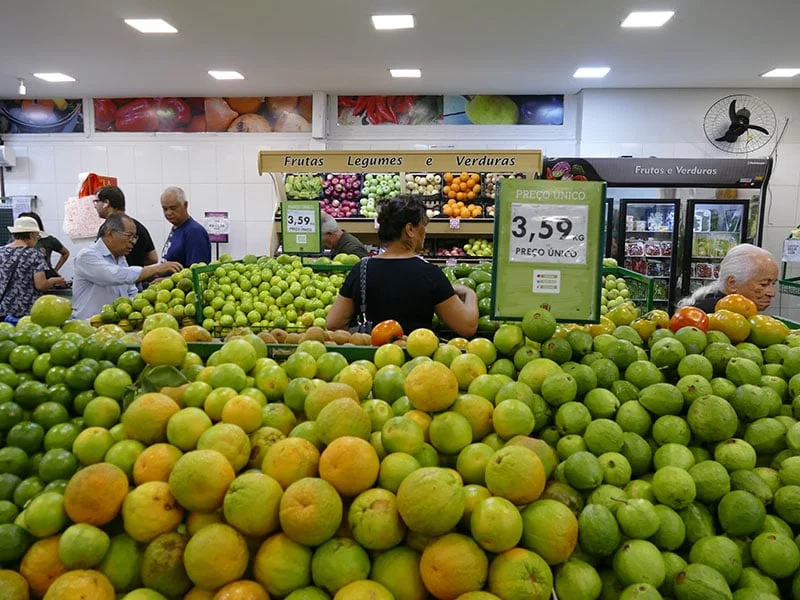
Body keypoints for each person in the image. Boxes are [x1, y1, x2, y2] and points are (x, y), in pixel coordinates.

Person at [326, 195, 479, 336]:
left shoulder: (361, 270)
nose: (425, 232)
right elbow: (467, 327)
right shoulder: (430, 274)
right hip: (416, 359)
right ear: (410, 229)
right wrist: (470, 294)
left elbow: (333, 324)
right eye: (423, 225)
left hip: (373, 360)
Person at [72, 213, 182, 320]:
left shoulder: (121, 259)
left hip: (115, 327)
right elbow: (114, 275)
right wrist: (156, 269)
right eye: (129, 236)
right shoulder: (87, 256)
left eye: (135, 237)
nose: (133, 242)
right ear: (110, 234)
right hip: (89, 326)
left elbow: (131, 291)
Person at [680, 243, 778, 313]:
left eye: (773, 284)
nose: (771, 293)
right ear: (732, 283)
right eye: (764, 284)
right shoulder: (710, 319)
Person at [0, 216, 66, 317]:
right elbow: (41, 285)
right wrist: (56, 280)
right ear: (32, 234)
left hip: (2, 309)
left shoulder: (1, 251)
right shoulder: (35, 255)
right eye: (37, 235)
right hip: (24, 311)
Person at [93, 185, 157, 267]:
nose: (95, 206)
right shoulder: (139, 226)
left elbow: (100, 258)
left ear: (106, 203)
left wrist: (127, 269)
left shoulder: (106, 228)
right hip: (136, 277)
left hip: (116, 278)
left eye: (96, 201)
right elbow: (153, 258)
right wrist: (135, 266)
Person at [160, 186, 211, 266]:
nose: (168, 213)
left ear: (185, 205)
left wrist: (164, 278)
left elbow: (196, 272)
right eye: (165, 209)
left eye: (173, 208)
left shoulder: (194, 232)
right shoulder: (176, 228)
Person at [19, 211, 70, 276]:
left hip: (44, 276)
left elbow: (65, 253)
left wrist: (55, 271)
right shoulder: (15, 243)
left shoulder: (47, 239)